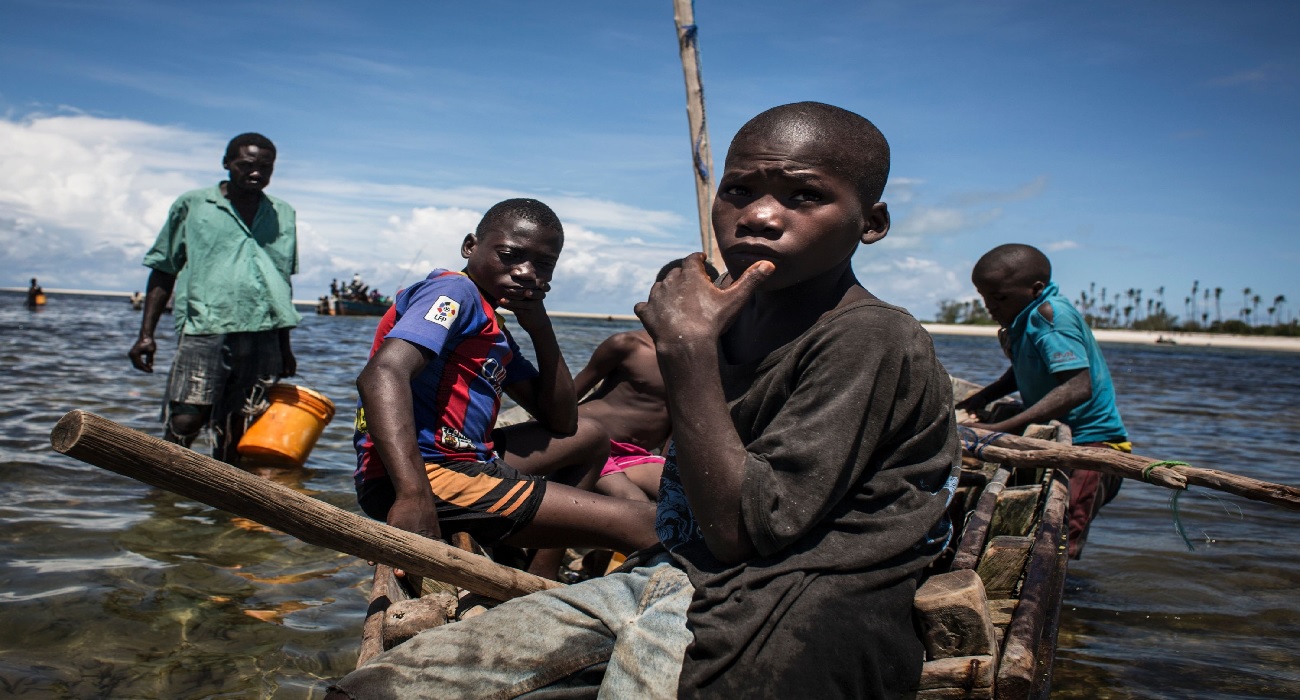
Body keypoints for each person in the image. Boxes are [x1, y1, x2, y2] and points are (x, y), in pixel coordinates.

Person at [329, 102, 959, 699]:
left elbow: (742, 534)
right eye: (739, 190)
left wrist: (685, 348)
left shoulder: (872, 337)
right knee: (374, 687)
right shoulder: (723, 319)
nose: (761, 216)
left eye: (805, 196)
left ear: (871, 223)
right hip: (669, 570)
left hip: (777, 597)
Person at [351, 198, 657, 581]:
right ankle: (543, 573)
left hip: (464, 459)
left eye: (543, 264)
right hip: (421, 473)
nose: (526, 272)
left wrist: (540, 327)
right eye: (510, 256)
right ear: (470, 246)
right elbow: (382, 374)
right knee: (644, 523)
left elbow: (563, 421)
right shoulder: (454, 292)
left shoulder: (492, 326)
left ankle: (541, 569)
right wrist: (413, 495)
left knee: (591, 437)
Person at [127, 133, 299, 465]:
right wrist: (146, 335)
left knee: (241, 425)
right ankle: (164, 489)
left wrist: (285, 347)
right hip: (205, 328)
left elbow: (281, 280)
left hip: (264, 333)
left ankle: (224, 494)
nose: (256, 173)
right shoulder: (193, 206)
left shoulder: (283, 213)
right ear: (226, 163)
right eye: (246, 165)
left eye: (265, 167)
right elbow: (163, 269)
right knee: (186, 418)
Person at [955, 243, 1128, 559]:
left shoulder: (1050, 316)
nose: (990, 306)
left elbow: (1077, 388)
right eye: (984, 297)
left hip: (1090, 447)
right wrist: (980, 398)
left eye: (1000, 298)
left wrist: (1001, 428)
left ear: (1035, 289)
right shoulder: (1024, 319)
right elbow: (1021, 370)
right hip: (1066, 440)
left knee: (1060, 542)